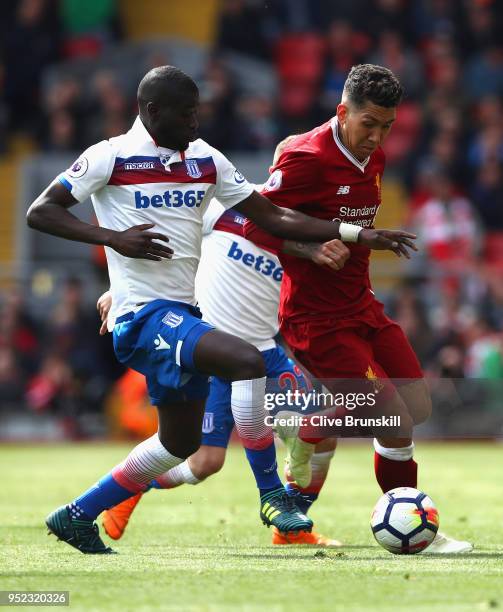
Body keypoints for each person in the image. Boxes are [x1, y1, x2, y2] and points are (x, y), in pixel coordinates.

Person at [27, 65, 415, 554]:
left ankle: (76, 515)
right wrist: (113, 241)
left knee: (181, 447)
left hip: (186, 318)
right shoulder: (109, 156)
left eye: (198, 112)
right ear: (151, 111)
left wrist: (355, 234)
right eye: (187, 113)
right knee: (245, 363)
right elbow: (40, 211)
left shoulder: (207, 161)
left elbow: (270, 215)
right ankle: (275, 501)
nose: (195, 122)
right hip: (144, 317)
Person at [244, 64, 473, 554]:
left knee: (417, 406)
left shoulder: (375, 158)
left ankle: (306, 427)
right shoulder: (306, 158)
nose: (377, 136)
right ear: (342, 111)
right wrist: (307, 249)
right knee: (392, 417)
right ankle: (415, 529)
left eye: (387, 126)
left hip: (362, 307)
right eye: (369, 123)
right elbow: (253, 225)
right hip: (315, 318)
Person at [99, 173, 347, 546]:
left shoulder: (309, 234)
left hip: (264, 352)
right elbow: (173, 248)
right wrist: (118, 292)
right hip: (212, 350)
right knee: (204, 464)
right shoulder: (226, 207)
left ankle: (290, 525)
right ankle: (132, 487)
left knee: (322, 432)